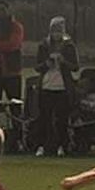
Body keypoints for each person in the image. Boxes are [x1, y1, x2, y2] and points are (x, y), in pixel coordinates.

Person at [34, 16, 79, 157]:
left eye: (59, 30)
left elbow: (75, 67)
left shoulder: (69, 46)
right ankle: (42, 145)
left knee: (62, 119)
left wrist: (63, 61)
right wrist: (46, 64)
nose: (57, 33)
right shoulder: (43, 46)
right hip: (46, 86)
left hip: (62, 88)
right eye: (54, 30)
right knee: (44, 118)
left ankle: (62, 146)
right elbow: (37, 66)